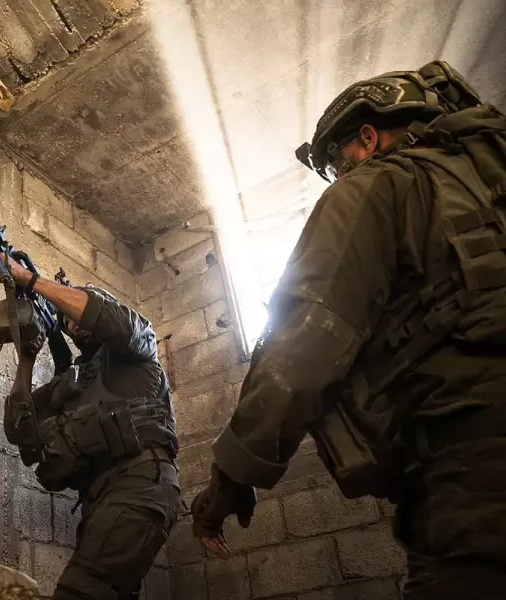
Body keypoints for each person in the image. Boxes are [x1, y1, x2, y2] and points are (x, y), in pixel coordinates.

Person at [190, 60, 506, 600]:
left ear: (368, 135)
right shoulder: (484, 187)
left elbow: (303, 342)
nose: (341, 176)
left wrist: (229, 482)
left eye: (339, 162)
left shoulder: (382, 183)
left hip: (476, 460)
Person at [0, 258, 182, 600]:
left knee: (79, 592)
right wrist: (26, 361)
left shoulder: (136, 345)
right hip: (102, 502)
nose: (72, 324)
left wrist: (30, 279)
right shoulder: (73, 382)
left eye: (74, 311)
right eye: (65, 323)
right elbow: (18, 429)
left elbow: (104, 316)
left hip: (139, 487)